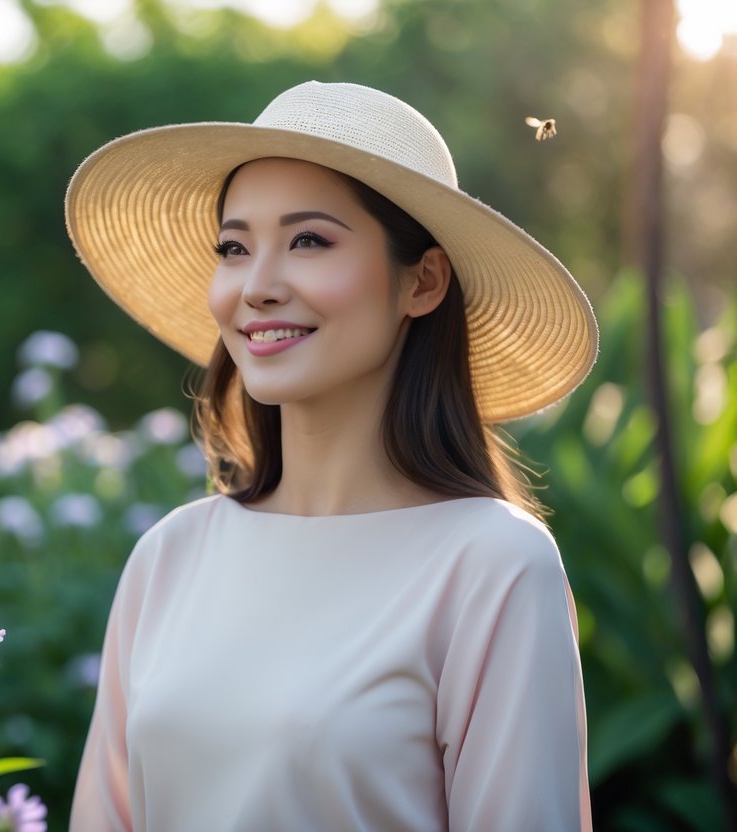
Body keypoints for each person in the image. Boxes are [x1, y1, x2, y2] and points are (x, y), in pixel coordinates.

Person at [63, 81, 597, 831]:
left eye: (308, 241)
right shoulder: (169, 558)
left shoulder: (491, 564)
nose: (257, 287)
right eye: (234, 247)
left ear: (423, 281)